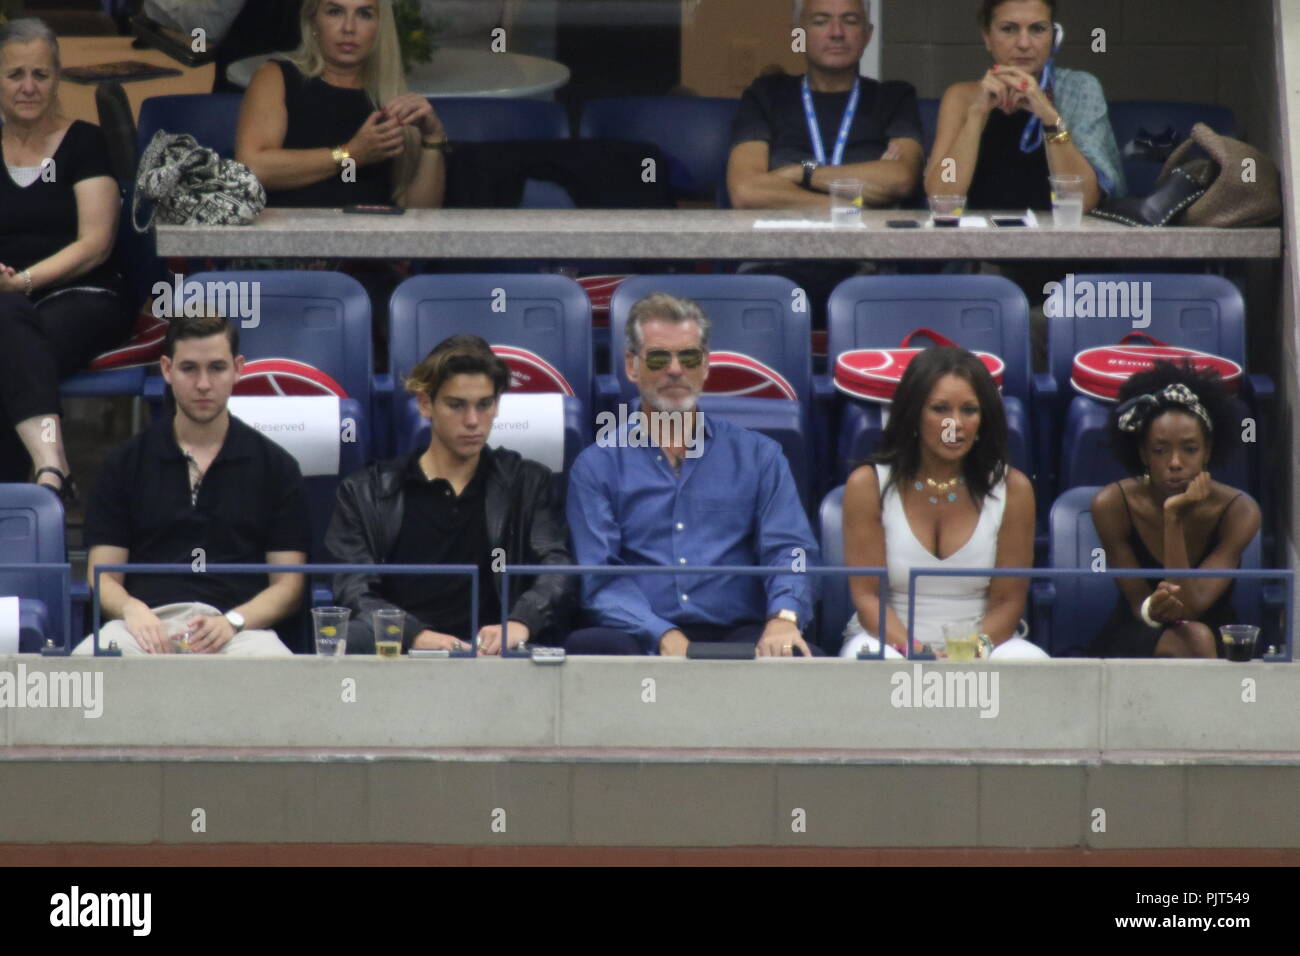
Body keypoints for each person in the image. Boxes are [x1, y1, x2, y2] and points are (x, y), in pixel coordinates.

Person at [567, 293, 820, 657]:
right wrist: (662, 633)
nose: (674, 369)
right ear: (631, 366)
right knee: (590, 647)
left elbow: (790, 550)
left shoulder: (760, 456)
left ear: (705, 366)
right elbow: (600, 579)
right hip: (639, 634)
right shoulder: (596, 465)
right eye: (658, 357)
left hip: (740, 631)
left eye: (688, 357)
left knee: (792, 654)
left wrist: (783, 616)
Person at [71, 313, 311, 656]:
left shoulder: (277, 467)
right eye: (189, 369)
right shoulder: (124, 464)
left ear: (238, 368)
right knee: (85, 666)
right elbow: (102, 573)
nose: (203, 384)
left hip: (239, 631)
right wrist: (131, 610)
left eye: (216, 368)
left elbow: (289, 585)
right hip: (142, 625)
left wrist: (234, 621)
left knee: (276, 668)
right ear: (167, 370)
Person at [325, 335, 574, 655]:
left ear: (496, 404)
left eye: (484, 404)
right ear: (425, 403)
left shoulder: (527, 483)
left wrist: (520, 622)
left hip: (495, 657)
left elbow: (556, 568)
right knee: (352, 637)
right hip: (400, 655)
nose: (472, 421)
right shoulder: (365, 491)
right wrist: (411, 634)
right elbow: (353, 587)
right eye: (456, 405)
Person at [840, 347, 1047, 659]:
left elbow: (1009, 602)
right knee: (873, 662)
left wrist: (966, 653)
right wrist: (917, 653)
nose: (956, 424)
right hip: (889, 639)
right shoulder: (867, 485)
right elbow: (868, 597)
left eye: (969, 410)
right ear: (913, 415)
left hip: (982, 643)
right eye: (940, 409)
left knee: (1030, 662)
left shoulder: (1014, 488)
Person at [0, 18, 133, 500]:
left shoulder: (85, 142)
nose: (29, 87)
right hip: (6, 301)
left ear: (58, 77)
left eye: (41, 74)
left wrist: (25, 281)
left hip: (84, 295)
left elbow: (95, 243)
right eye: (15, 75)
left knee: (11, 349)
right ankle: (50, 473)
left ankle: (20, 520)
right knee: (9, 322)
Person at [1090, 362, 1260, 658]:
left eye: (1190, 449)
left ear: (1207, 451)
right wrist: (1151, 607)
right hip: (1139, 626)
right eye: (1160, 450)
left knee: (1197, 636)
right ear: (1143, 453)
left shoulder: (1240, 511)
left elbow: (1190, 607)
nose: (1175, 462)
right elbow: (1137, 603)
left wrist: (1173, 517)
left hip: (1215, 631)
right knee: (1192, 639)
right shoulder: (1112, 504)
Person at [235, 0, 445, 210]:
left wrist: (433, 140)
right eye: (335, 12)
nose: (349, 28)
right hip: (292, 234)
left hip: (373, 236)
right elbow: (252, 168)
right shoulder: (277, 77)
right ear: (313, 21)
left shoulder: (391, 97)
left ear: (380, 27)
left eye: (364, 14)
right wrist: (350, 154)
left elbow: (420, 216)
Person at [925, 0, 1125, 212]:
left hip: (1060, 237)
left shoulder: (1079, 89)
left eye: (1037, 29)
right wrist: (976, 115)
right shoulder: (962, 97)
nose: (1023, 43)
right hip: (979, 236)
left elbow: (1083, 200)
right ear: (987, 37)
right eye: (1008, 29)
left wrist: (1049, 117)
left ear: (1054, 37)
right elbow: (942, 195)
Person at [728, 0, 923, 211]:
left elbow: (900, 179)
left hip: (870, 239)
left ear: (867, 35)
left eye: (850, 21)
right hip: (782, 236)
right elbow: (746, 191)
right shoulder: (766, 95)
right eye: (821, 22)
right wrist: (842, 206)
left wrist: (801, 173)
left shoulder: (894, 97)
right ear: (798, 36)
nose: (837, 32)